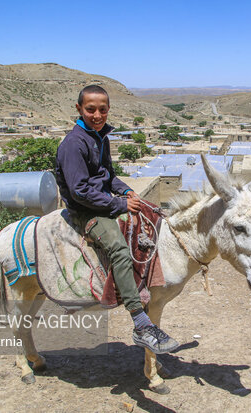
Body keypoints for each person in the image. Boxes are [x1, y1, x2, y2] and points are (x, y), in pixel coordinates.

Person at [55, 85, 178, 354]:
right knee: (120, 250)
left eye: (102, 110)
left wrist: (124, 189)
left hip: (104, 202)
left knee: (149, 217)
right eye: (90, 110)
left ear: (108, 110)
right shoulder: (74, 144)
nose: (97, 115)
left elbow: (107, 175)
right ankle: (140, 322)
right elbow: (80, 190)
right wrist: (120, 203)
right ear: (79, 109)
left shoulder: (100, 138)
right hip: (86, 210)